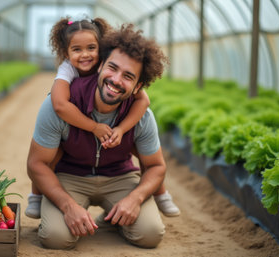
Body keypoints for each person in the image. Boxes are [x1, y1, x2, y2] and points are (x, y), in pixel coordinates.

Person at [26, 23, 171, 249]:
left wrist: (135, 199)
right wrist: (67, 206)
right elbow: (36, 164)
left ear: (137, 87)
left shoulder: (141, 114)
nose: (115, 80)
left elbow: (156, 167)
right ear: (101, 65)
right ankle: (68, 209)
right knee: (56, 237)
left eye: (128, 76)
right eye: (112, 68)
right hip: (70, 176)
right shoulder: (59, 104)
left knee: (150, 234)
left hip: (119, 177)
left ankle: (113, 217)